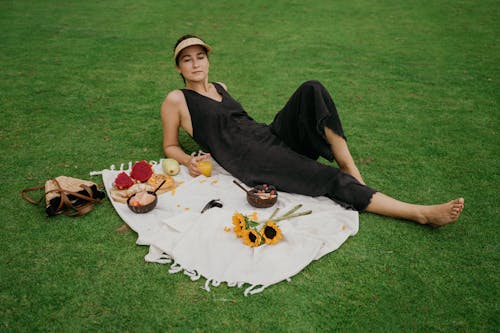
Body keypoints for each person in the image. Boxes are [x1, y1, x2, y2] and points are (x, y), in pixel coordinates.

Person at [161, 34, 464, 227]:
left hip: (266, 135)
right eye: (187, 60)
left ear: (208, 59)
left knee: (312, 89)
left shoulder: (221, 87)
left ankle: (348, 163)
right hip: (249, 158)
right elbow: (170, 146)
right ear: (179, 68)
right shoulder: (177, 100)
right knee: (329, 179)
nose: (196, 64)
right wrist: (188, 161)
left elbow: (242, 122)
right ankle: (420, 213)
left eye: (200, 57)